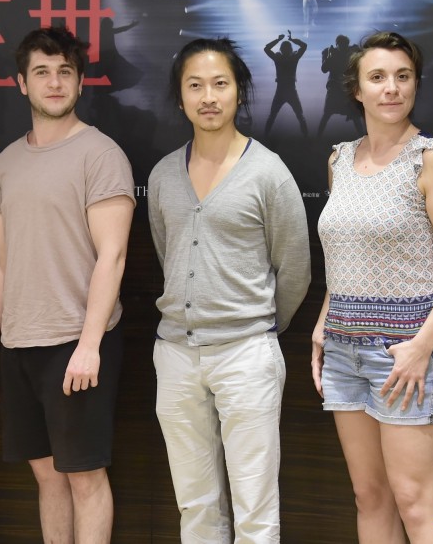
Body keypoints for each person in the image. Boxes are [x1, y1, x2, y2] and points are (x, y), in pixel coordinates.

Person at [311, 32, 433, 544]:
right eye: (378, 77)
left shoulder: (432, 158)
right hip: (343, 351)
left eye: (403, 77)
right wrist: (323, 324)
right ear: (357, 89)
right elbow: (345, 254)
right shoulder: (339, 160)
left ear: (415, 85)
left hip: (408, 354)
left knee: (415, 501)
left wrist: (421, 347)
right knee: (370, 496)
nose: (391, 88)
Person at [0, 26, 135, 543]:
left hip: (76, 343)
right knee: (46, 476)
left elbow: (113, 255)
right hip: (19, 343)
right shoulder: (8, 161)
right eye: (42, 72)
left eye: (65, 71)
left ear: (81, 81)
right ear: (22, 83)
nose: (55, 82)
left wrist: (89, 345)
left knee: (85, 477)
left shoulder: (101, 154)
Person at [148, 38, 310, 543]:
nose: (208, 97)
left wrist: (257, 325)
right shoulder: (163, 174)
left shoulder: (268, 172)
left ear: (239, 91)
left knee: (254, 507)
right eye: (195, 85)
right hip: (176, 354)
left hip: (246, 354)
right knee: (194, 505)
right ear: (180, 97)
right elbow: (168, 254)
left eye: (220, 84)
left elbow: (295, 268)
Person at [317, 34, 363, 138]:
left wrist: (357, 51)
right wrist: (329, 56)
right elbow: (324, 69)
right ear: (337, 44)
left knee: (354, 114)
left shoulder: (351, 52)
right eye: (341, 44)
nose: (343, 46)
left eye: (345, 44)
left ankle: (363, 137)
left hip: (347, 87)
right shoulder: (329, 52)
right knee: (327, 113)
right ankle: (318, 137)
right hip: (334, 87)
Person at [264, 31, 309, 137]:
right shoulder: (293, 58)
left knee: (273, 116)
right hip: (289, 90)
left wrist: (278, 40)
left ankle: (265, 136)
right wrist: (292, 40)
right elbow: (304, 46)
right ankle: (306, 137)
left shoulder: (279, 58)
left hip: (282, 90)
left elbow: (266, 49)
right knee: (300, 116)